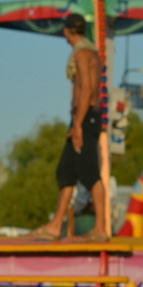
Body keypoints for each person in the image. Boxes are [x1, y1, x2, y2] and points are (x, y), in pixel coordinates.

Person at [33, 13, 107, 241]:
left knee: (90, 173)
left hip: (85, 119)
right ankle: (56, 225)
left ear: (66, 31)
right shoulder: (91, 53)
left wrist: (77, 125)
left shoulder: (83, 55)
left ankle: (101, 228)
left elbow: (86, 91)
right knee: (66, 172)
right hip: (83, 117)